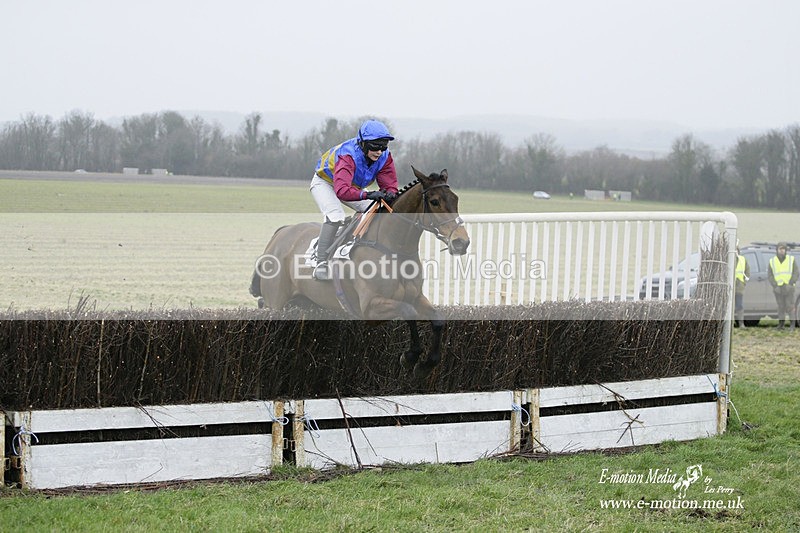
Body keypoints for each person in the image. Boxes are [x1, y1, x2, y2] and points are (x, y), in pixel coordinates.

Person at [309, 119, 399, 280]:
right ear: (363, 143)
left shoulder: (384, 157)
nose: (379, 152)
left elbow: (389, 184)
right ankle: (321, 262)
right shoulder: (348, 155)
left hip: (351, 185)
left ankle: (358, 246)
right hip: (325, 183)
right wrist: (369, 194)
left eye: (383, 146)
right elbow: (342, 191)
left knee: (377, 209)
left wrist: (390, 194)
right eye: (374, 147)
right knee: (335, 216)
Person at [767, 242, 799, 330]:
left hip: (789, 287)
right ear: (777, 250)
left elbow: (796, 273)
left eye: (783, 249)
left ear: (785, 250)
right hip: (778, 288)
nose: (782, 251)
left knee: (790, 306)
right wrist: (775, 286)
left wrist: (791, 283)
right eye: (780, 249)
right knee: (780, 307)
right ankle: (781, 325)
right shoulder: (772, 261)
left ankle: (792, 325)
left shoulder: (791, 260)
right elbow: (770, 275)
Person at [734, 245, 750, 327]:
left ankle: (741, 323)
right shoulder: (728, 259)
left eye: (736, 249)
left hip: (739, 287)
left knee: (739, 305)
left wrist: (743, 282)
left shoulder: (742, 260)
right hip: (730, 287)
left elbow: (747, 272)